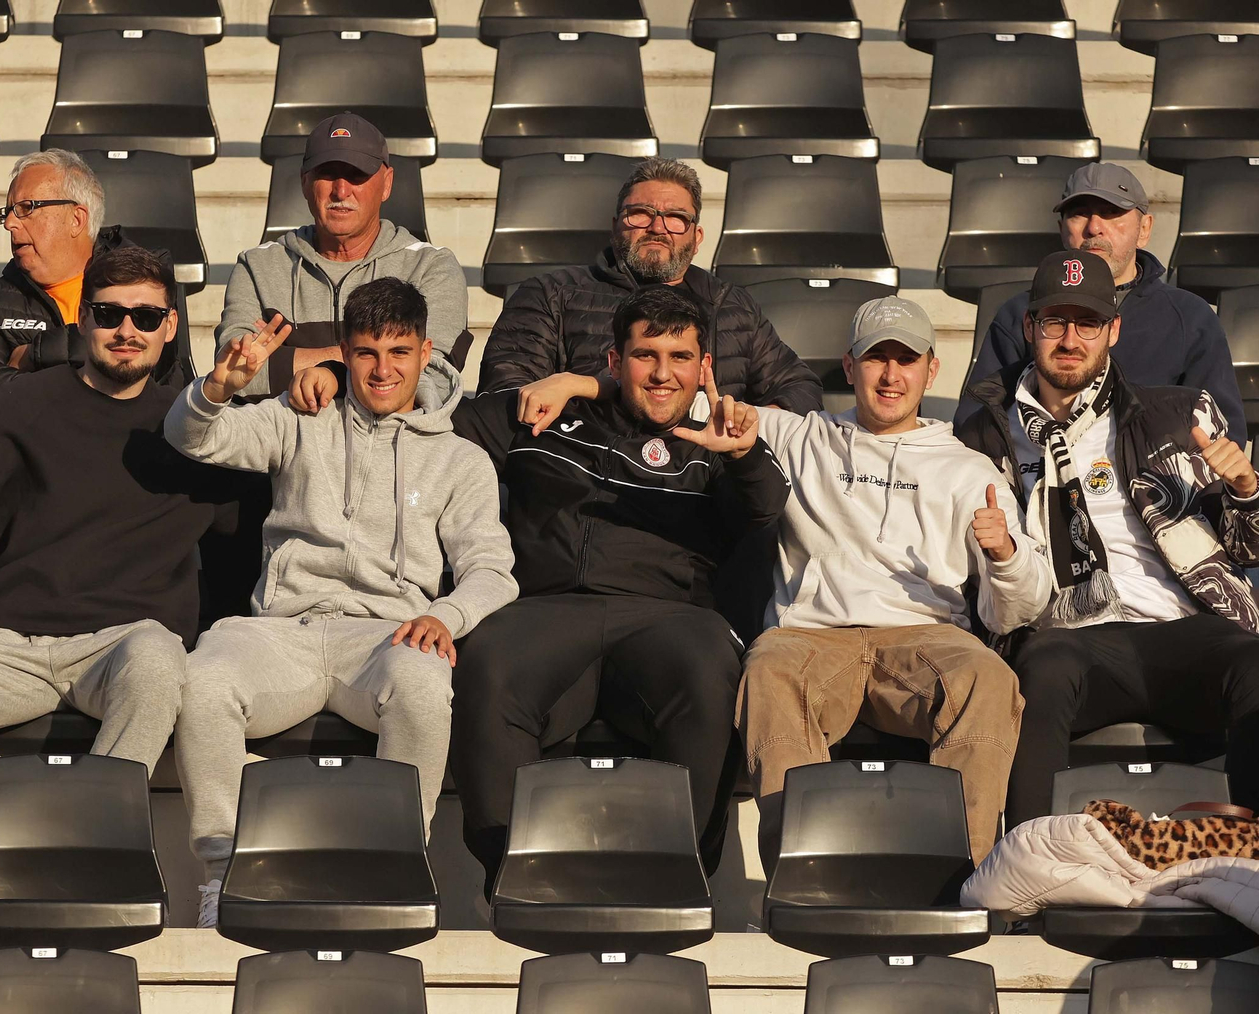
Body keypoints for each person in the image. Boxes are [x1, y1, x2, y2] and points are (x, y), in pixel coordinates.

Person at [166, 276, 518, 926]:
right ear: (344, 354)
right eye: (366, 353)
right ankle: (222, 875)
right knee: (205, 678)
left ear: (426, 352)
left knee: (422, 686)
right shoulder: (300, 418)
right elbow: (195, 439)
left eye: (399, 352)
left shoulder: (461, 459)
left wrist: (444, 616)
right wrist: (219, 386)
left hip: (389, 634)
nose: (383, 369)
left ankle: (395, 869)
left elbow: (492, 570)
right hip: (282, 629)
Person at [0, 246, 235, 856]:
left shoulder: (199, 428)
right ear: (82, 320)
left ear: (171, 325)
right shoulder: (22, 404)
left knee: (155, 658)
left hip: (121, 648)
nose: (127, 331)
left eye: (147, 317)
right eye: (109, 313)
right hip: (2, 641)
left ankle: (90, 844)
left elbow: (263, 525)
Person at [443, 285, 789, 893]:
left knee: (709, 670)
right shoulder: (545, 413)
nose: (662, 374)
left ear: (704, 367)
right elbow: (426, 415)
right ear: (612, 361)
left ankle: (679, 880)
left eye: (680, 358)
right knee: (489, 663)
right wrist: (341, 373)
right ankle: (512, 879)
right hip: (547, 611)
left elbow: (764, 508)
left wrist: (743, 456)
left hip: (668, 619)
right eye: (644, 356)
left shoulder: (718, 443)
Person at [738, 295, 1050, 870]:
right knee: (768, 670)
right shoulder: (800, 435)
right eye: (876, 358)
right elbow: (675, 399)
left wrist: (1004, 553)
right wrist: (582, 387)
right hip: (812, 636)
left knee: (987, 678)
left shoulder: (967, 469)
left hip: (924, 637)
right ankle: (801, 874)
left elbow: (1019, 610)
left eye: (906, 359)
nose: (890, 375)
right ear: (850, 366)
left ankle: (958, 878)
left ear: (931, 369)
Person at [957, 250, 1259, 828]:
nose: (1071, 339)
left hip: (1179, 625)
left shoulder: (1179, 415)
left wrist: (1245, 489)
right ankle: (1029, 870)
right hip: (1069, 636)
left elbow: (1248, 551)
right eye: (1054, 323)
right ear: (1029, 328)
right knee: (1041, 670)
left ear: (1113, 331)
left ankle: (1248, 873)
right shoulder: (983, 437)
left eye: (1088, 324)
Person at [479, 155, 821, 413]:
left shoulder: (732, 305)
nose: (657, 228)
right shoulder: (550, 295)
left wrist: (757, 420)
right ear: (615, 227)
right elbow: (507, 394)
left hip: (706, 484)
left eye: (675, 218)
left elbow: (799, 387)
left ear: (696, 236)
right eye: (640, 213)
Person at [955, 162, 1244, 435]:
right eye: (1079, 213)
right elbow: (976, 421)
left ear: (1144, 229)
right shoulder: (1021, 311)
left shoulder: (1190, 317)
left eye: (1110, 212)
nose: (1094, 228)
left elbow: (1221, 430)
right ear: (1061, 229)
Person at [215, 112, 469, 399]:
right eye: (327, 173)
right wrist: (370, 361)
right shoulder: (257, 267)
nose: (341, 190)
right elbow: (235, 373)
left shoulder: (431, 267)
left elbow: (433, 381)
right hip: (280, 441)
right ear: (304, 182)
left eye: (356, 174)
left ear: (386, 184)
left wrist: (297, 362)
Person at [0, 149, 192, 402]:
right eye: (7, 211)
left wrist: (36, 353)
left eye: (26, 208)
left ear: (76, 219)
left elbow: (148, 370)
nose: (9, 223)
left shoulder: (147, 278)